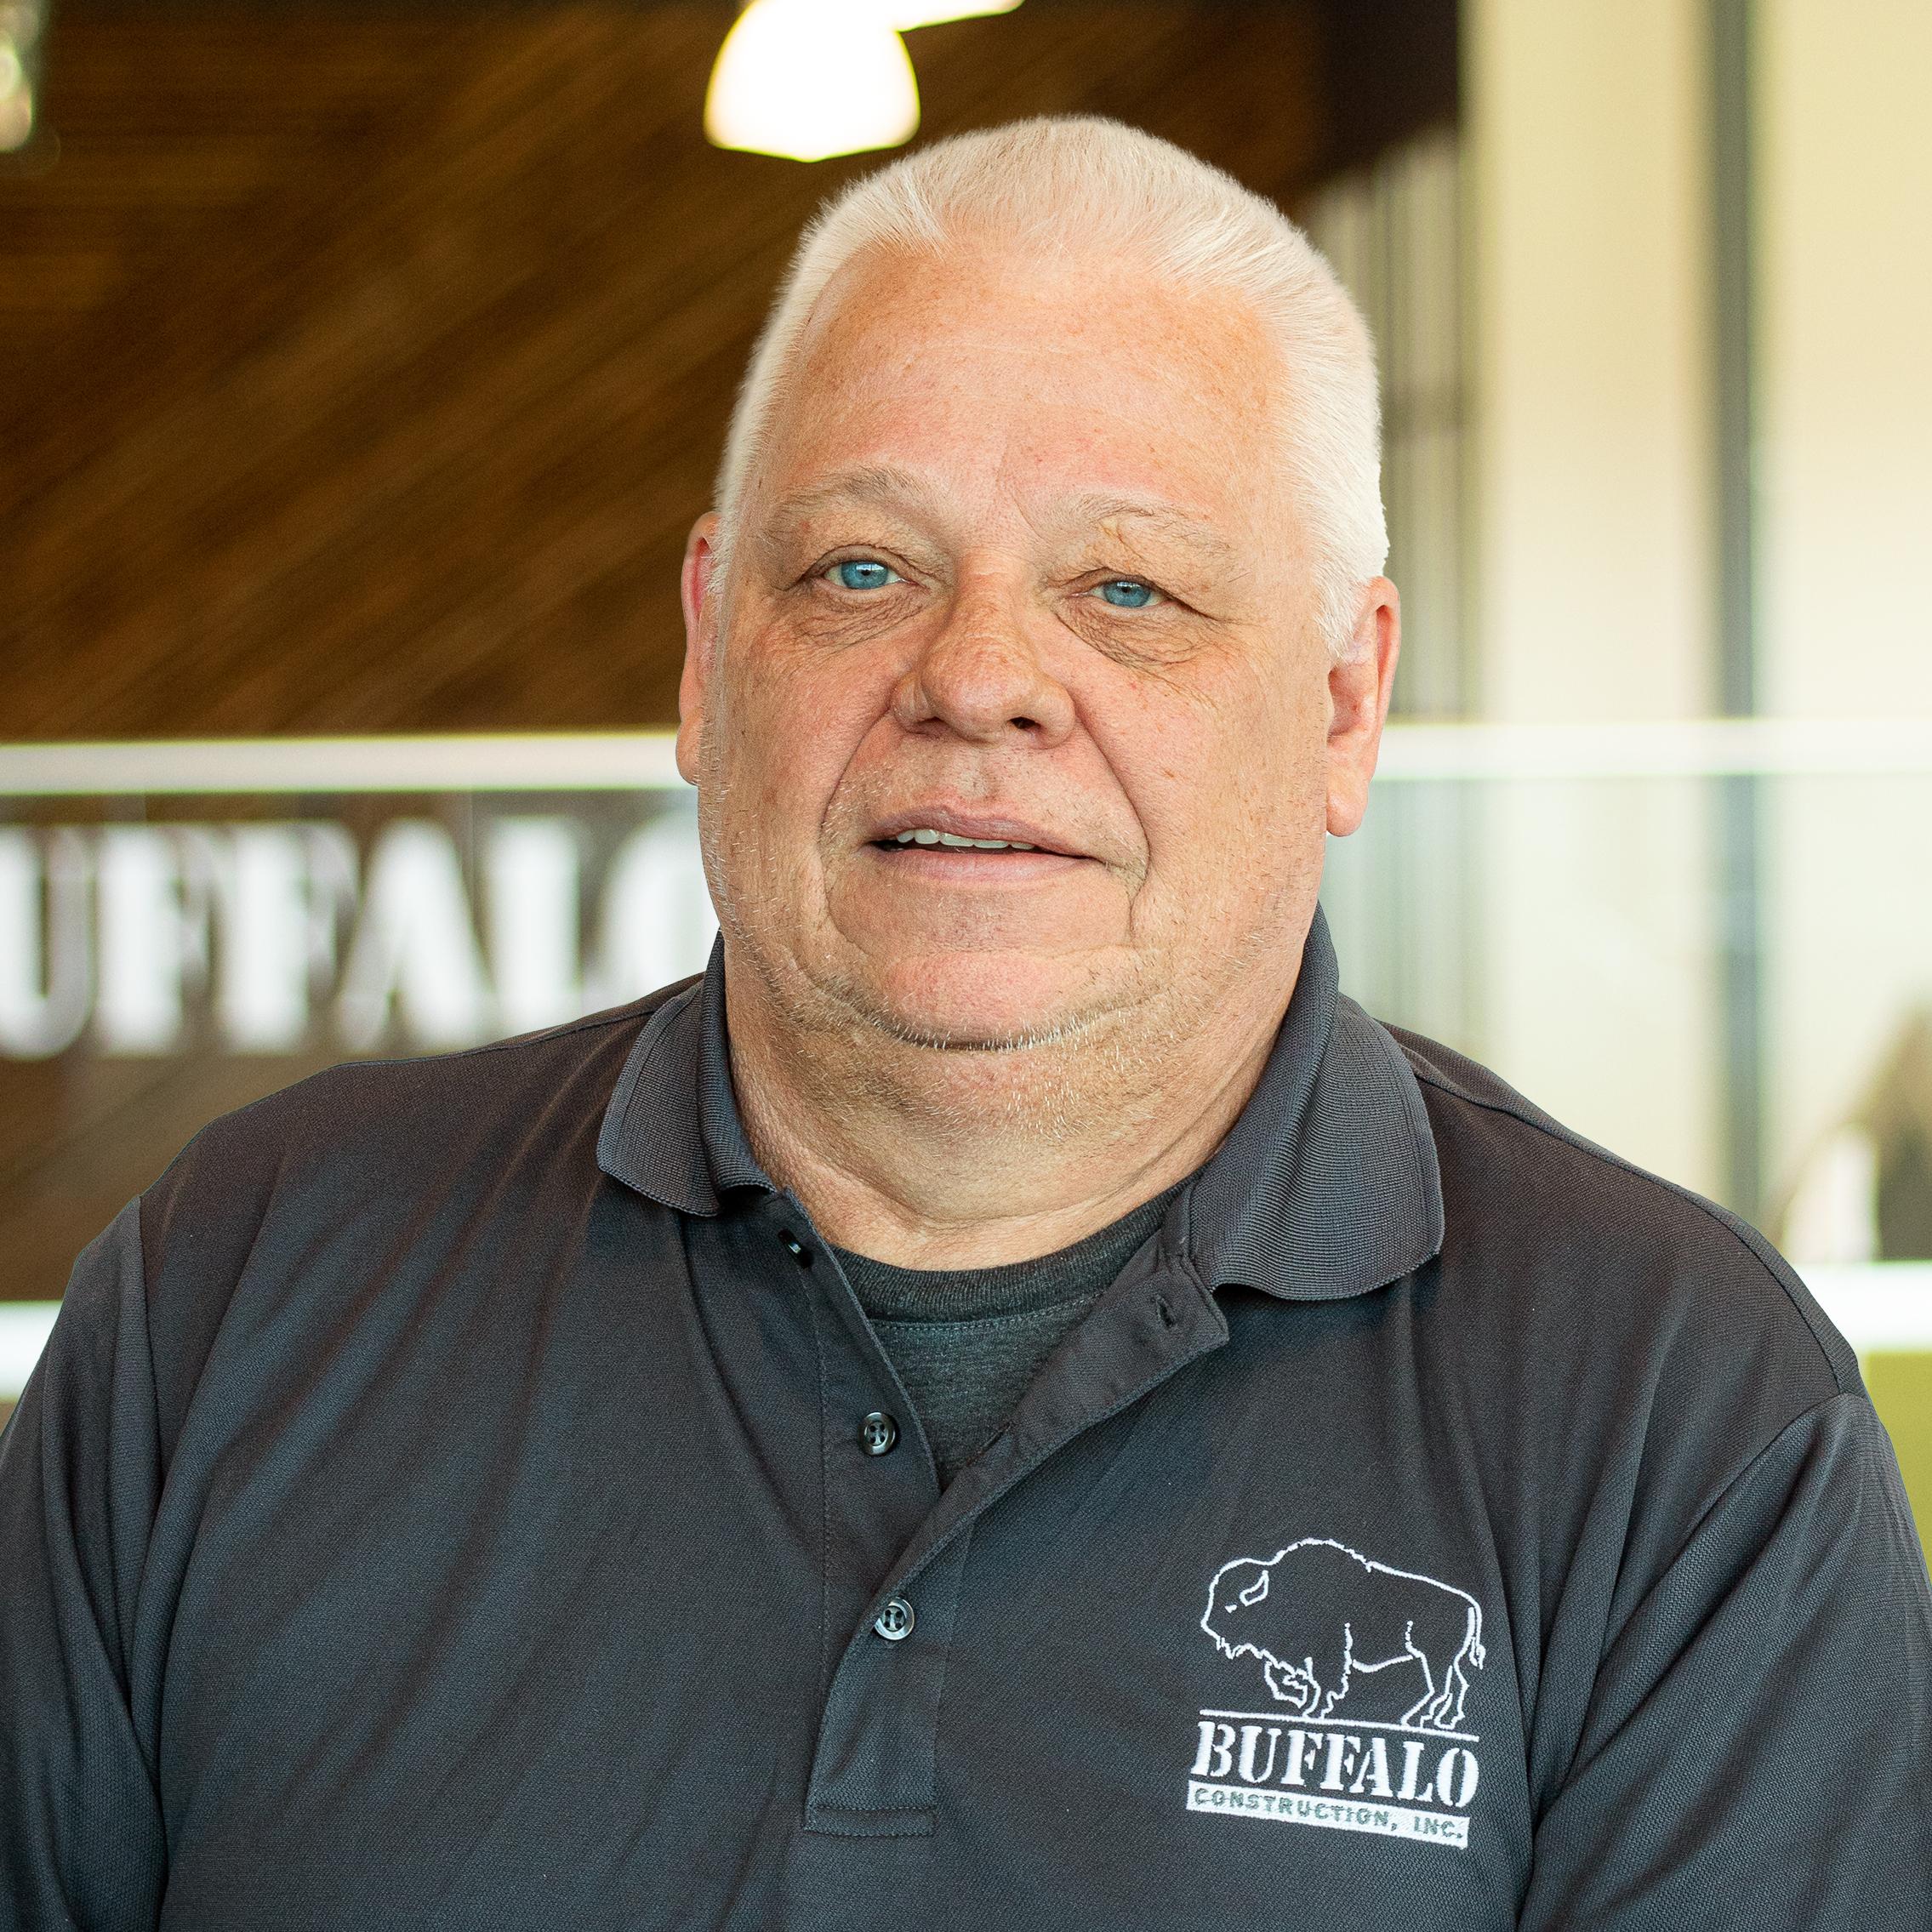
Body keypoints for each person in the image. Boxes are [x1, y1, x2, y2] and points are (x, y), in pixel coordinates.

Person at [3, 116, 1927, 1931]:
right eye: (861, 568)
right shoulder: (239, 1289)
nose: (982, 675)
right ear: (700, 652)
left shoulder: (1682, 1422)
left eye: (1127, 587)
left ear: (1343, 701)